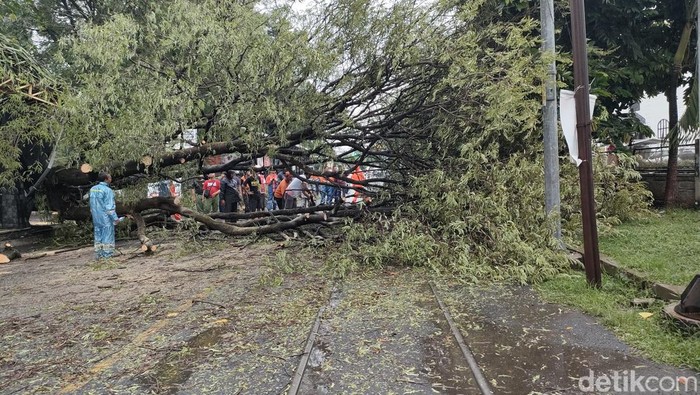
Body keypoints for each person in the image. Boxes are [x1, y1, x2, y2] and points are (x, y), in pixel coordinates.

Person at [89, 172, 124, 259]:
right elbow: (109, 207)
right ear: (106, 179)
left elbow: (91, 204)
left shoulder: (93, 189)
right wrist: (115, 218)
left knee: (98, 234)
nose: (111, 179)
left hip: (96, 216)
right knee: (107, 235)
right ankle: (107, 255)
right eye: (110, 177)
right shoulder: (108, 191)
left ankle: (98, 254)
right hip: (105, 217)